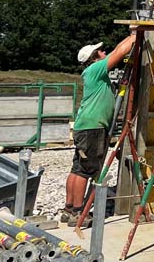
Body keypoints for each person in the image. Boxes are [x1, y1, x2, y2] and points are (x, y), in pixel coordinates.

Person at [64, 31, 137, 226]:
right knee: (86, 170)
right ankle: (78, 213)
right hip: (92, 127)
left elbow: (117, 50)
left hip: (86, 126)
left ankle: (69, 208)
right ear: (94, 57)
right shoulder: (96, 68)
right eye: (100, 51)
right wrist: (136, 35)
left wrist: (131, 35)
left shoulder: (93, 72)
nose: (104, 52)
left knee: (78, 168)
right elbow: (120, 52)